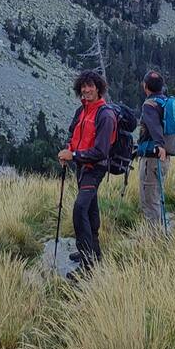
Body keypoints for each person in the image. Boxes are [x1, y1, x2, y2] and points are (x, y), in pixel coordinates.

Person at [59, 71, 115, 272]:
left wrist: (73, 156)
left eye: (90, 86)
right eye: (83, 86)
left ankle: (88, 264)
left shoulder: (105, 115)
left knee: (80, 209)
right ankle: (93, 252)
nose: (86, 90)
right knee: (90, 208)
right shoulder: (81, 111)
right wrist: (68, 151)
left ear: (98, 88)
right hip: (82, 167)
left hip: (95, 168)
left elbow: (101, 152)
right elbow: (73, 135)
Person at [137, 70, 175, 233]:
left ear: (145, 86)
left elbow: (154, 126)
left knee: (149, 199)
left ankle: (154, 240)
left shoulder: (149, 104)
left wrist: (159, 145)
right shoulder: (165, 102)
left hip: (152, 157)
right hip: (165, 158)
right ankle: (160, 232)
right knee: (157, 197)